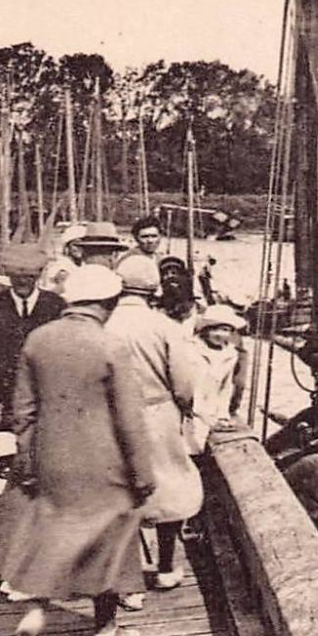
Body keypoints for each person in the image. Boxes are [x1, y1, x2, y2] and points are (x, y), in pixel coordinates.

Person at [1, 265, 157, 636]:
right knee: (114, 539)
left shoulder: (38, 340)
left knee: (52, 533)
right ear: (108, 303)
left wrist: (29, 458)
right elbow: (129, 418)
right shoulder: (110, 345)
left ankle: (35, 615)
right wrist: (143, 473)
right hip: (106, 463)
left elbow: (23, 410)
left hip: (53, 456)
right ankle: (106, 628)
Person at [108, 254, 204, 593]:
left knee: (123, 489)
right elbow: (184, 383)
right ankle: (165, 566)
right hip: (157, 412)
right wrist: (186, 408)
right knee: (169, 485)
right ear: (153, 288)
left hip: (114, 415)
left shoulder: (104, 323)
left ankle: (127, 573)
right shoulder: (163, 326)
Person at [0, 244, 65, 422]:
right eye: (16, 277)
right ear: (8, 275)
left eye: (29, 277)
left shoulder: (56, 306)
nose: (23, 282)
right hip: (1, 402)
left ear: (39, 274)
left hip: (45, 401)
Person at [185, 304, 248, 454]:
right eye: (215, 329)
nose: (220, 334)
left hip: (211, 411)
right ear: (205, 331)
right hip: (189, 411)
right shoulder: (190, 350)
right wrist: (202, 414)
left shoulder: (231, 354)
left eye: (225, 330)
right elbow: (188, 387)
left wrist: (222, 415)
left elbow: (226, 387)